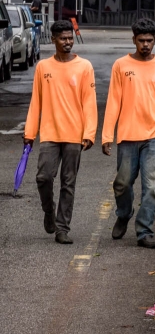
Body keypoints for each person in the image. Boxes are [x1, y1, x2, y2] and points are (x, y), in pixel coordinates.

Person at [102, 18, 155, 248]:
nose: (146, 45)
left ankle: (145, 231)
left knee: (151, 186)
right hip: (127, 136)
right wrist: (106, 136)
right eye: (141, 40)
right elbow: (113, 102)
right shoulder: (121, 65)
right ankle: (124, 214)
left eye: (150, 40)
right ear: (133, 39)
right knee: (122, 184)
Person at [23, 20, 97, 244]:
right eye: (63, 38)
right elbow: (36, 101)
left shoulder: (84, 66)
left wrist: (90, 133)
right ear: (53, 39)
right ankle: (49, 210)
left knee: (68, 183)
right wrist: (30, 132)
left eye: (70, 38)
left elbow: (89, 102)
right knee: (43, 177)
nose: (68, 42)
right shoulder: (43, 67)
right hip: (49, 133)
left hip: (75, 134)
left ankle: (62, 228)